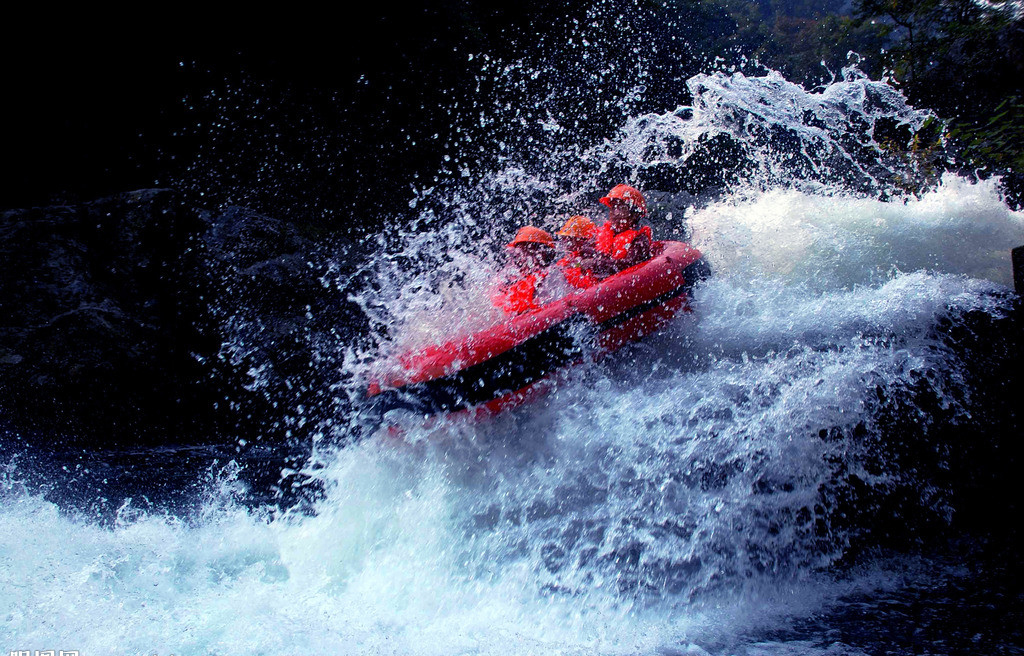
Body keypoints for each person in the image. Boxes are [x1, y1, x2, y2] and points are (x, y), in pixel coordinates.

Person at [493, 225, 557, 315]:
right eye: (520, 250)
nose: (521, 255)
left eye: (527, 250)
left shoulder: (551, 276)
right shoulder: (511, 279)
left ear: (544, 253)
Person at [594, 184, 652, 272]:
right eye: (613, 207)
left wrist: (597, 264)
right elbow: (591, 250)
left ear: (635, 215)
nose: (615, 212)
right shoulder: (605, 233)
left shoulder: (640, 239)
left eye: (621, 208)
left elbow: (628, 264)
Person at [554, 215, 600, 289]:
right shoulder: (569, 259)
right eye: (564, 238)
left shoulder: (598, 256)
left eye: (569, 238)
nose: (565, 242)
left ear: (582, 240)